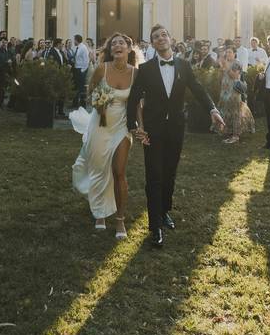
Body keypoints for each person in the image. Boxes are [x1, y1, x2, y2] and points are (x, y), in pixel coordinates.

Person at [126, 24, 225, 249]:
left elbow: (198, 89)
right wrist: (134, 126)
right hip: (152, 130)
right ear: (152, 44)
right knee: (154, 175)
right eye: (155, 37)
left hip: (176, 128)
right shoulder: (146, 69)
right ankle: (155, 228)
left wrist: (213, 110)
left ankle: (164, 212)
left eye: (163, 35)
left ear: (171, 39)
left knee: (170, 173)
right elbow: (133, 99)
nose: (160, 39)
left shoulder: (183, 65)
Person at [70, 33, 139, 240]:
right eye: (114, 43)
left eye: (122, 43)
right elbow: (90, 93)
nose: (118, 45)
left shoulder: (136, 74)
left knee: (119, 171)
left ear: (128, 49)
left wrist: (140, 126)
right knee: (100, 170)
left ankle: (120, 219)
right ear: (111, 50)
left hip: (121, 127)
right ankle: (99, 213)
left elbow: (138, 103)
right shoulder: (102, 69)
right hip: (100, 125)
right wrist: (98, 103)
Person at [216, 52, 255, 144]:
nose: (228, 54)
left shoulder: (237, 63)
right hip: (225, 90)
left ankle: (236, 135)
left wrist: (226, 67)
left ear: (234, 53)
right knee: (225, 111)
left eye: (230, 52)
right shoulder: (225, 62)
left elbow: (235, 76)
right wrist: (221, 68)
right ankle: (229, 132)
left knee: (235, 112)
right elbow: (220, 78)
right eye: (227, 52)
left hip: (233, 91)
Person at [71, 34, 90, 109]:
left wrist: (82, 71)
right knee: (76, 87)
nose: (73, 42)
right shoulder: (78, 48)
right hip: (77, 69)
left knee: (81, 88)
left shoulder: (83, 48)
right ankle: (75, 103)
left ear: (76, 40)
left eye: (74, 40)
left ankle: (82, 105)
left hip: (80, 70)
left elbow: (86, 60)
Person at [0, 37, 13, 109]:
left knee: (3, 88)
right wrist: (6, 62)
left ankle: (1, 103)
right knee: (0, 88)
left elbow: (7, 59)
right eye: (2, 42)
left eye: (5, 42)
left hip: (5, 72)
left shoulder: (6, 51)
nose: (4, 44)